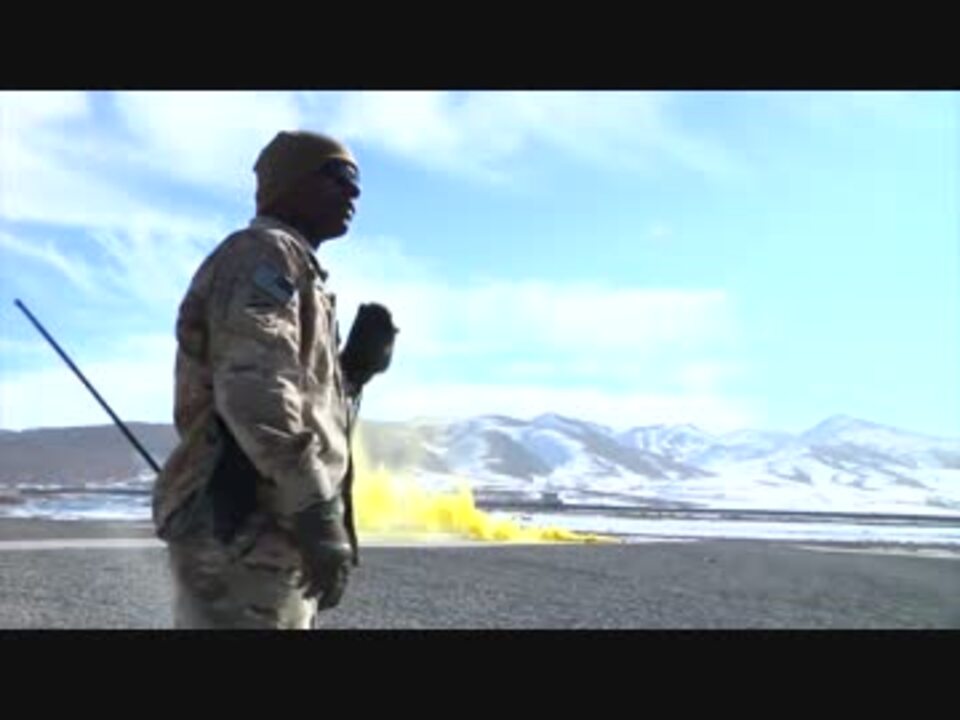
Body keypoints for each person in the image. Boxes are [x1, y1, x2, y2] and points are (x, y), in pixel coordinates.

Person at [152, 130, 396, 629]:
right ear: (290, 183)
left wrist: (350, 376)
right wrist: (315, 509)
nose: (353, 191)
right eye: (338, 176)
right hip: (245, 529)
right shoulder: (263, 255)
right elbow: (253, 389)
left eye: (356, 180)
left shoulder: (299, 272)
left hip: (267, 534)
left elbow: (288, 394)